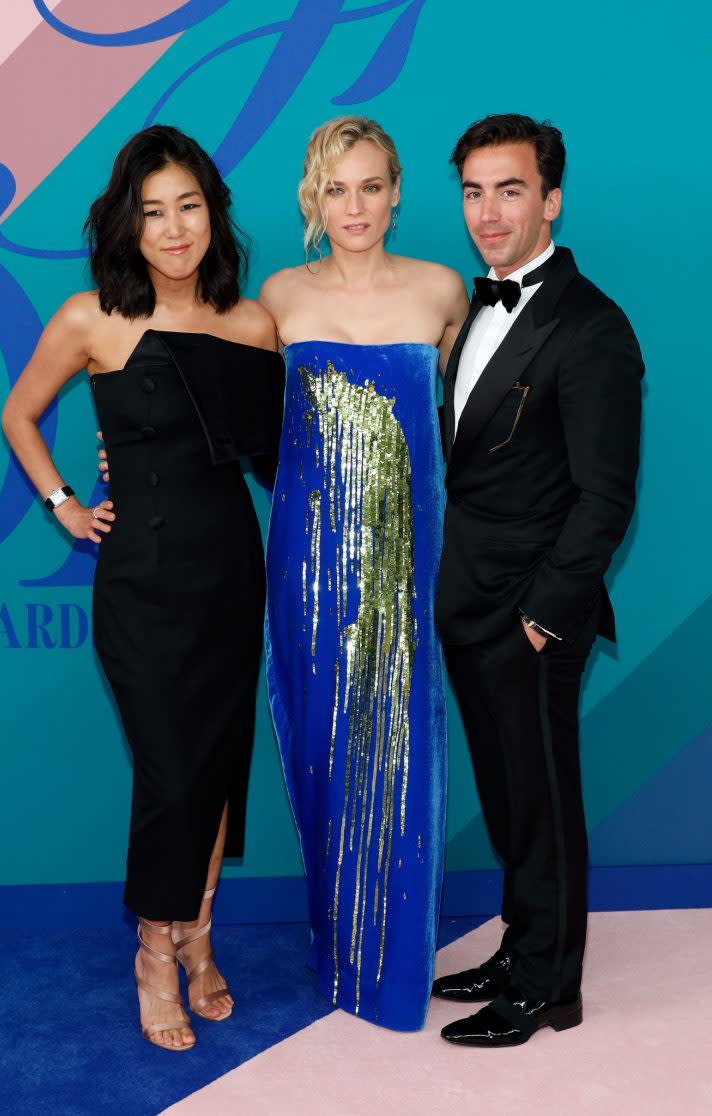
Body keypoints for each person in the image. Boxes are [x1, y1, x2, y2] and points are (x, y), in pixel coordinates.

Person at [1, 125, 283, 1051]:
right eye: (153, 211)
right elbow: (19, 413)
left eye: (189, 207)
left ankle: (196, 934)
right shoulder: (92, 317)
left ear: (214, 214)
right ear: (130, 222)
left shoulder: (252, 323)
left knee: (214, 770)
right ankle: (154, 953)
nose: (173, 229)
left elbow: (284, 459)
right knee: (170, 774)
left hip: (232, 575)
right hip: (141, 586)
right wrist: (64, 505)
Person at [433, 114, 643, 1047]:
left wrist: (544, 620)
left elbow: (606, 498)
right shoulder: (471, 306)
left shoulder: (590, 326)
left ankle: (551, 988)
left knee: (547, 800)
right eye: (474, 191)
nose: (489, 211)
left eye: (509, 190)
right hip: (469, 602)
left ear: (550, 199)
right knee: (513, 794)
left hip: (530, 615)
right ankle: (522, 946)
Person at [260, 115, 468, 1031]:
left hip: (405, 568)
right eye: (336, 189)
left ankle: (387, 964)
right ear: (315, 194)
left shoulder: (441, 292)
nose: (355, 206)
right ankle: (335, 943)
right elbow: (220, 408)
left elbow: (464, 424)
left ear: (395, 191)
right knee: (320, 751)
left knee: (399, 751)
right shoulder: (277, 299)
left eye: (371, 186)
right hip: (305, 569)